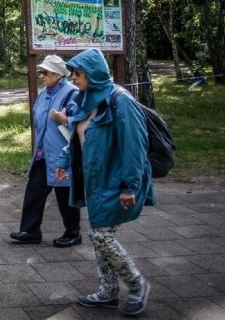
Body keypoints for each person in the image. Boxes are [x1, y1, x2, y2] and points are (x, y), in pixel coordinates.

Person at [55, 48, 154, 316]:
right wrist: (64, 162)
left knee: (100, 235)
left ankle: (137, 285)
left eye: (78, 73)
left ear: (93, 73)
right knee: (100, 234)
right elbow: (78, 135)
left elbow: (135, 147)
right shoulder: (88, 99)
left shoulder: (121, 101)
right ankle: (107, 291)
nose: (73, 79)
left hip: (117, 181)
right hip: (95, 182)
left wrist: (129, 186)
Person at [9, 55, 81, 247]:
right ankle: (30, 231)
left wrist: (66, 120)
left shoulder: (71, 93)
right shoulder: (44, 93)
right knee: (34, 191)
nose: (42, 75)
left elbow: (83, 122)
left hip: (62, 154)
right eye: (41, 71)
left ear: (57, 75)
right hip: (43, 153)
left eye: (46, 72)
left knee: (65, 194)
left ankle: (73, 233)